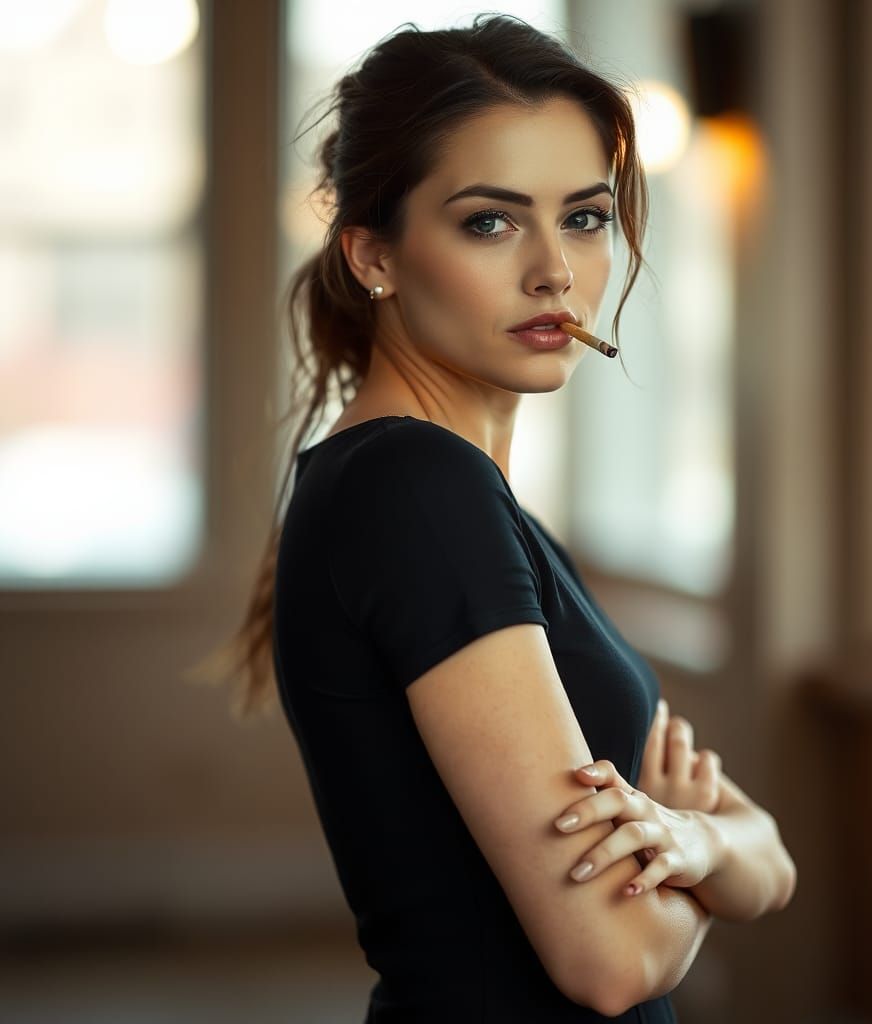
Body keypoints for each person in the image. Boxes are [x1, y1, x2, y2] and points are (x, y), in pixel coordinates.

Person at [198, 13, 796, 1022]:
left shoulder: (467, 502)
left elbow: (773, 858)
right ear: (373, 255)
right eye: (490, 221)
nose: (554, 270)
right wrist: (704, 852)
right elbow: (611, 960)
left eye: (586, 217)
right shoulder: (416, 492)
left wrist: (692, 841)